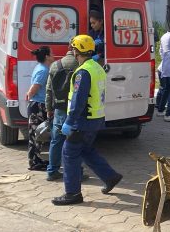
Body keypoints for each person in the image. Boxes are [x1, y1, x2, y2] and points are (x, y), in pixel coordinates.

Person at [52, 35, 122, 206]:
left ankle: (72, 193)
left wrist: (69, 121)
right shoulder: (96, 67)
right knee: (85, 150)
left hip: (81, 121)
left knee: (68, 154)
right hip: (96, 119)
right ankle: (110, 177)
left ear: (77, 51)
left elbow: (78, 100)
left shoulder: (83, 72)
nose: (73, 52)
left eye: (73, 49)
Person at [44, 38, 79, 181]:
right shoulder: (80, 65)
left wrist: (48, 109)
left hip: (59, 108)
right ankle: (76, 173)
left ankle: (52, 171)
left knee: (56, 141)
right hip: (74, 109)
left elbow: (48, 90)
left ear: (68, 47)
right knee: (75, 142)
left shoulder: (55, 65)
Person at [26, 46, 54, 171]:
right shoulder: (43, 70)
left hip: (38, 104)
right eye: (51, 53)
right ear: (47, 56)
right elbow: (35, 87)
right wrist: (29, 96)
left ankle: (37, 159)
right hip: (38, 105)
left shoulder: (42, 68)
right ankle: (33, 162)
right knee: (35, 134)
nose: (53, 55)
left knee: (39, 134)